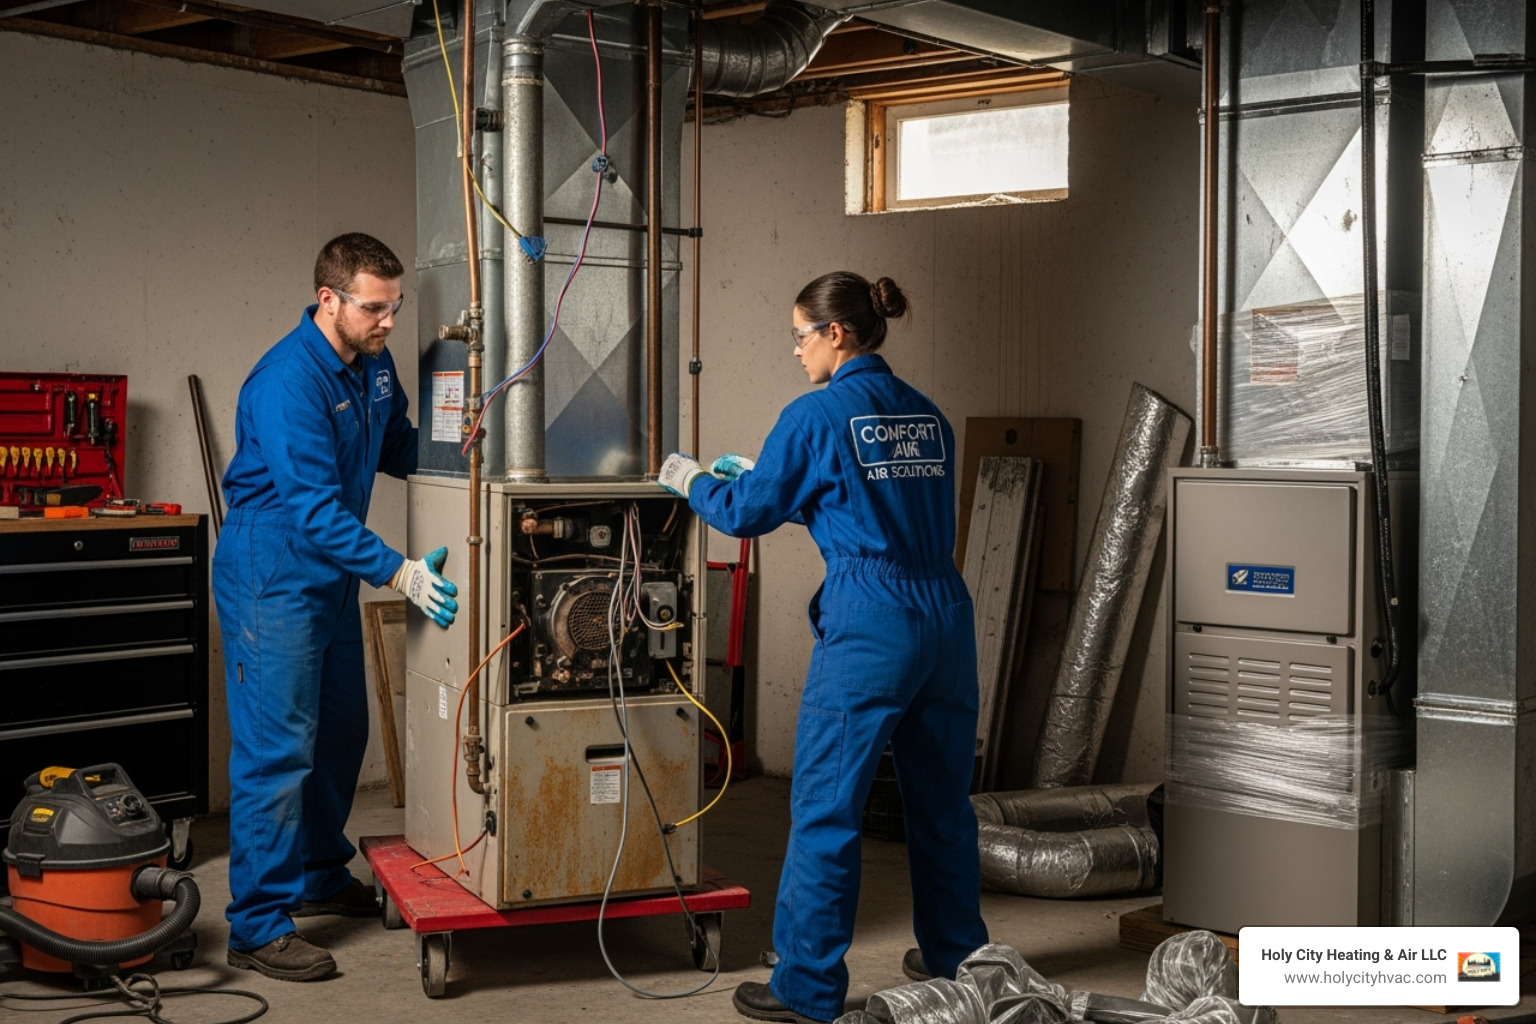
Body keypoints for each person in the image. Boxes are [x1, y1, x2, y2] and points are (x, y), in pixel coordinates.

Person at [658, 271, 989, 1023]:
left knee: (826, 809)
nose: (796, 350)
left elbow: (746, 512)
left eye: (800, 335)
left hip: (872, 624)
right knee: (942, 806)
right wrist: (788, 486)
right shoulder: (928, 415)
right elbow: (879, 504)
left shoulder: (814, 415)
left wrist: (693, 480)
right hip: (945, 615)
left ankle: (805, 989)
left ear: (836, 334)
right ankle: (958, 958)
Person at [213, 233, 459, 982]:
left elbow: (398, 445)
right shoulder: (288, 381)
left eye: (393, 307)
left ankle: (320, 871)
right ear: (330, 300)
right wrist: (400, 572)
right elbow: (314, 508)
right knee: (278, 748)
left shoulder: (373, 365)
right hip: (273, 569)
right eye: (374, 309)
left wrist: (467, 453)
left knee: (342, 731)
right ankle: (257, 924)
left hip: (327, 572)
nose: (388, 322)